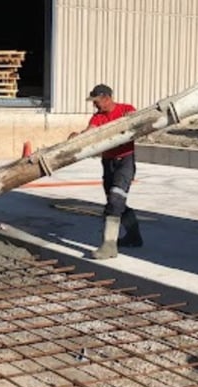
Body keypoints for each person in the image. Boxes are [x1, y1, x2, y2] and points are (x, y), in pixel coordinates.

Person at [68, 84, 143, 260]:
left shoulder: (126, 109)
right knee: (115, 202)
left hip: (125, 161)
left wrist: (133, 118)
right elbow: (90, 132)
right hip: (108, 163)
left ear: (107, 98)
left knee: (116, 199)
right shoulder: (98, 117)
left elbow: (138, 121)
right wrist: (77, 137)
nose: (94, 105)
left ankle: (109, 246)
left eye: (96, 101)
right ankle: (134, 237)